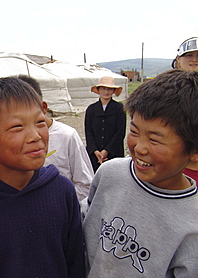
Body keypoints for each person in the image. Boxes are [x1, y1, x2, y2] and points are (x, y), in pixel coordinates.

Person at [0, 77, 85, 277]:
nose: (35, 135)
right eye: (17, 127)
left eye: (40, 122)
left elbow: (76, 262)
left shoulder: (62, 191)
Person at [83, 70, 198, 277]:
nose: (139, 148)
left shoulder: (192, 224)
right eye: (134, 131)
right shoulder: (110, 174)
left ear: (194, 152)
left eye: (155, 139)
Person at [17, 74, 94, 201]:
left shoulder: (67, 136)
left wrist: (57, 203)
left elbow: (86, 184)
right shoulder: (14, 139)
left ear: (43, 107)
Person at [84, 76, 126, 172]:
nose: (106, 92)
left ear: (113, 91)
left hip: (114, 154)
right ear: (98, 90)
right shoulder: (91, 109)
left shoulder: (119, 108)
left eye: (109, 89)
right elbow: (88, 132)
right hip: (95, 155)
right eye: (103, 88)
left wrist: (106, 151)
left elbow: (120, 133)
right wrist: (95, 151)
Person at [171, 37, 198, 183]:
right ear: (178, 60)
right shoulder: (166, 89)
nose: (194, 60)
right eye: (189, 55)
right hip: (174, 164)